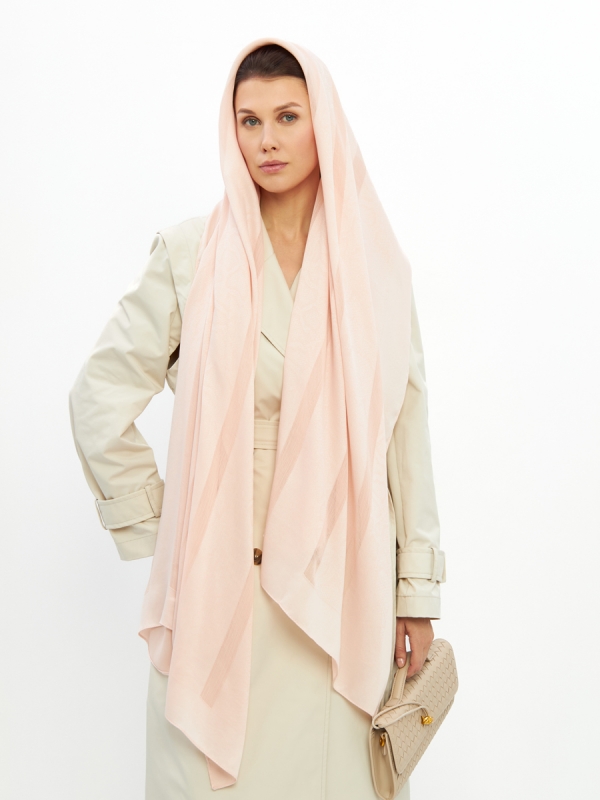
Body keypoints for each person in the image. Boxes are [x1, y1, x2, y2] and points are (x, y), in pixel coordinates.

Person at [69, 38, 446, 800]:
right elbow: (97, 398)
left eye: (286, 117)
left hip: (343, 594)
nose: (266, 140)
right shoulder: (190, 256)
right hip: (223, 593)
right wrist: (167, 529)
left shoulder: (376, 268)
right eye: (249, 121)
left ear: (323, 122)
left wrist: (416, 594)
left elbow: (405, 438)